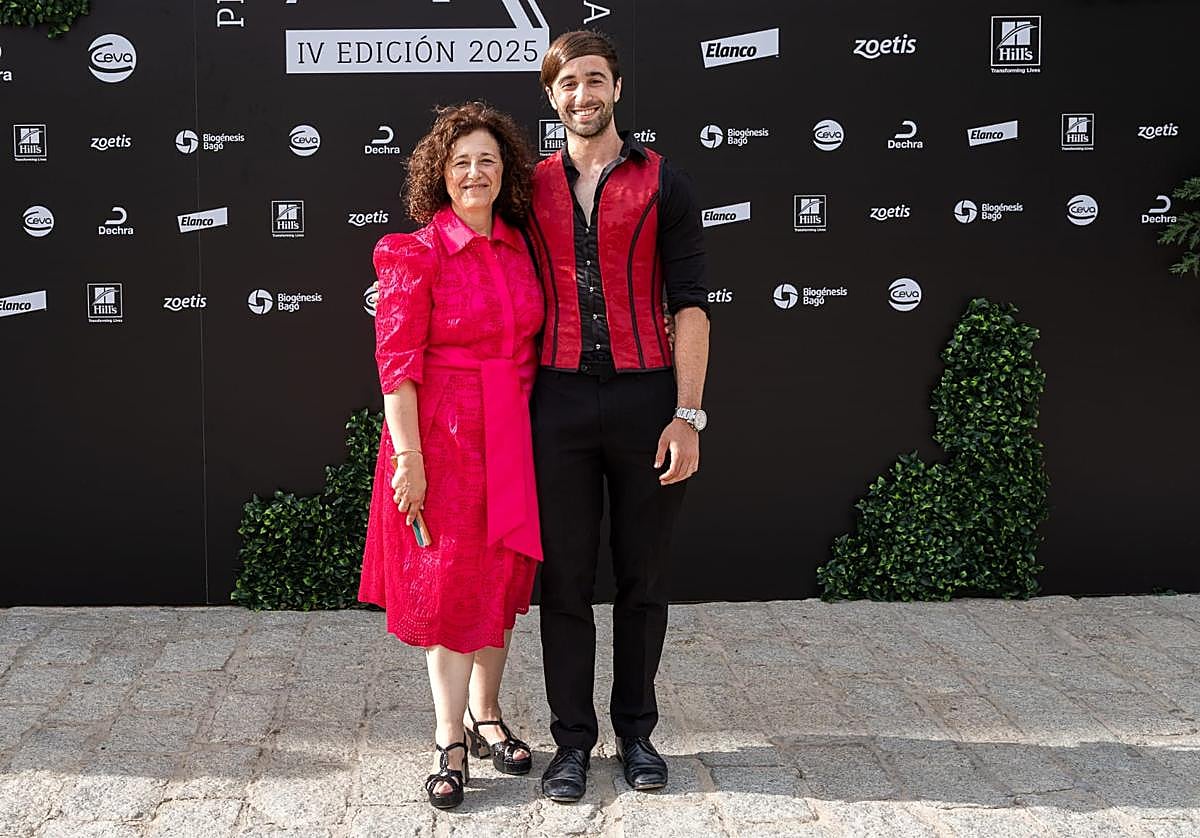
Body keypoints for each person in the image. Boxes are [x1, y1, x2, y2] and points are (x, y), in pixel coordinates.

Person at [528, 30, 711, 802]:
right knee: (565, 582)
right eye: (568, 83)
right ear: (552, 96)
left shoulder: (666, 182)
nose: (582, 95)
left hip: (646, 401)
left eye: (594, 80)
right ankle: (570, 744)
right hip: (556, 400)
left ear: (617, 88)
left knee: (644, 579)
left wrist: (688, 416)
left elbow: (692, 308)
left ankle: (637, 735)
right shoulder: (523, 186)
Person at [358, 102, 544, 810]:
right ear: (440, 173)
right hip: (443, 438)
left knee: (498, 576)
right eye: (461, 161)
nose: (475, 172)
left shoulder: (521, 245)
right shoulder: (415, 252)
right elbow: (396, 366)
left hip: (512, 434)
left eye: (488, 161)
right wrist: (410, 458)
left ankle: (487, 711)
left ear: (506, 174)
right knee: (449, 584)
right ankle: (448, 736)